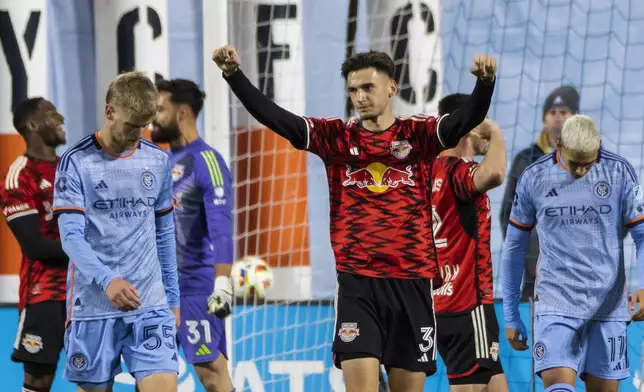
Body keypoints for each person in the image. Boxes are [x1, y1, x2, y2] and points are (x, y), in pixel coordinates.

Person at [213, 44, 497, 392]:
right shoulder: (335, 138)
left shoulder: (418, 136)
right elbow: (275, 117)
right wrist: (233, 75)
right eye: (352, 90)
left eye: (367, 88)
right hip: (358, 283)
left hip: (412, 284)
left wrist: (485, 84)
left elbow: (464, 120)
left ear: (392, 87)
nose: (359, 97)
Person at [52, 71, 180, 392]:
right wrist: (107, 280)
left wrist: (173, 299)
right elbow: (70, 238)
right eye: (131, 124)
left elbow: (164, 234)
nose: (138, 133)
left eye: (145, 125)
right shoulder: (76, 162)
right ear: (110, 112)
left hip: (149, 304)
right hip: (94, 306)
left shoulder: (158, 161)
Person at [502, 114, 644, 392]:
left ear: (599, 147)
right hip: (556, 305)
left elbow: (642, 235)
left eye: (587, 164)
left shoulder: (619, 172)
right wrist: (510, 314)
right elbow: (514, 247)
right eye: (574, 163)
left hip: (608, 308)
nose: (580, 172)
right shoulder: (534, 177)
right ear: (559, 144)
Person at [150, 78, 234, 392]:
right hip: (152, 293)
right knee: (150, 379)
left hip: (193, 289)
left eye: (160, 109)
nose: (153, 117)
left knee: (211, 374)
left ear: (182, 111)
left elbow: (221, 227)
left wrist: (222, 282)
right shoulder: (155, 162)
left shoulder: (206, 161)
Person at [431, 94, 509, 392]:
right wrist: (497, 131)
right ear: (468, 127)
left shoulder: (426, 171)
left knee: (496, 386)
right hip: (468, 304)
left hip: (440, 302)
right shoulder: (458, 171)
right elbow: (496, 173)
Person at [0, 97, 67, 392]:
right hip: (45, 294)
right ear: (33, 125)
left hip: (90, 291)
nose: (61, 117)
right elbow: (35, 247)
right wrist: (91, 250)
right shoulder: (19, 176)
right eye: (52, 114)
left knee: (97, 376)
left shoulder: (73, 167)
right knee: (39, 380)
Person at [499, 86, 579, 301]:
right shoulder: (525, 160)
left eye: (564, 112)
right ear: (544, 119)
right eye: (552, 113)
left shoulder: (589, 159)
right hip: (536, 280)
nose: (557, 118)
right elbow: (509, 215)